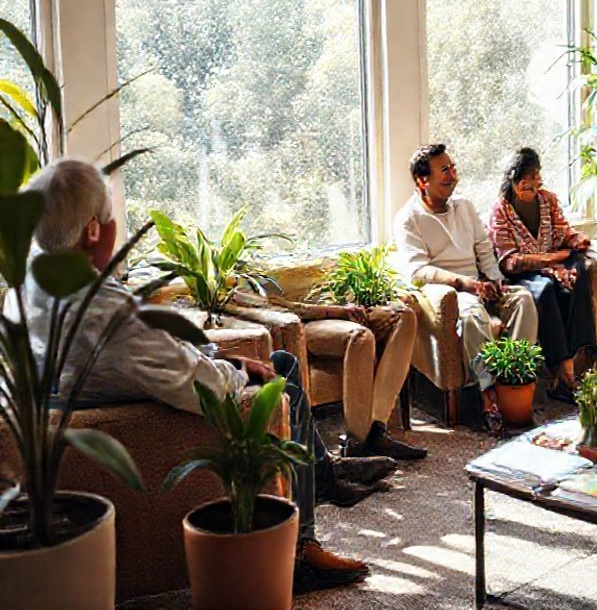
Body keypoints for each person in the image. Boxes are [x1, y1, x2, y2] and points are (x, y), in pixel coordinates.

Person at [12, 159, 387, 593]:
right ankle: (302, 546)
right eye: (113, 216)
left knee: (273, 361)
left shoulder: (34, 284)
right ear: (93, 230)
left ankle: (325, 477)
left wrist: (221, 357)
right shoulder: (104, 312)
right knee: (281, 375)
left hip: (108, 394)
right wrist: (233, 370)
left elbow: (158, 351)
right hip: (146, 411)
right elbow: (196, 384)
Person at [393, 144, 539, 434]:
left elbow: (484, 248)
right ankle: (489, 397)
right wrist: (464, 284)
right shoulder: (408, 218)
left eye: (453, 168)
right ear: (423, 181)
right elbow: (418, 271)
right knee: (472, 315)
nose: (453, 175)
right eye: (444, 170)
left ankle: (515, 381)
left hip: (480, 282)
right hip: (452, 291)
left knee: (523, 299)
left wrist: (496, 280)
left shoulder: (465, 206)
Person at [252, 295, 427, 461]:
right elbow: (275, 302)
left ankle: (376, 430)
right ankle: (358, 443)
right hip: (309, 321)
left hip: (349, 307)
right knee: (360, 336)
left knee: (404, 315)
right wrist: (337, 310)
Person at [488, 148, 594, 403]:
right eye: (526, 177)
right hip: (523, 274)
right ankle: (564, 365)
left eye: (536, 175)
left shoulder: (548, 200)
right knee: (546, 289)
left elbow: (563, 232)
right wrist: (550, 259)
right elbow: (509, 263)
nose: (533, 183)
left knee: (579, 271)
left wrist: (576, 239)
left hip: (552, 265)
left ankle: (575, 358)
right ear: (513, 179)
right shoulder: (500, 210)